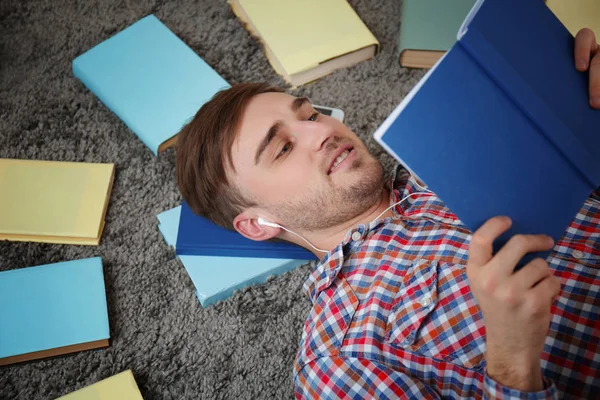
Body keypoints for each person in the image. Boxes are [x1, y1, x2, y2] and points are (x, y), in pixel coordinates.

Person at [176, 28, 600, 399]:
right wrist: (511, 363)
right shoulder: (337, 364)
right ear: (257, 224)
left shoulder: (450, 140)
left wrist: (580, 96)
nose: (323, 130)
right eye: (283, 148)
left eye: (310, 114)